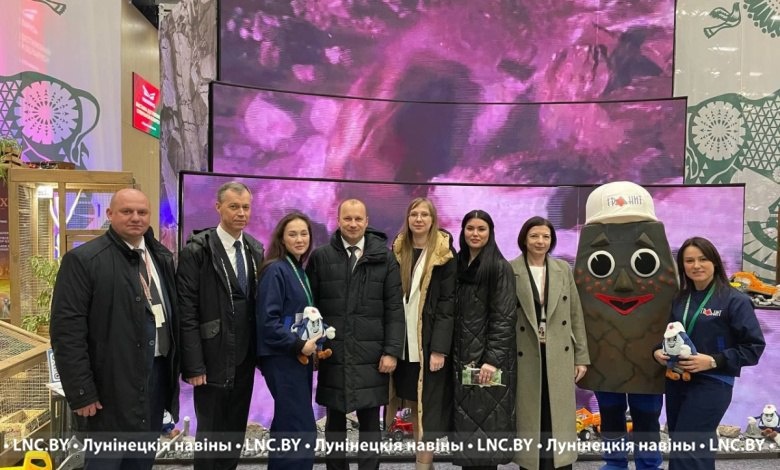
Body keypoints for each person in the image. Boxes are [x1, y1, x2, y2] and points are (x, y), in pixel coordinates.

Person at [50, 188, 179, 469]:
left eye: (142, 212)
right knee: (106, 462)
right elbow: (67, 333)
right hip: (108, 386)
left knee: (141, 460)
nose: (135, 218)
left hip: (155, 378)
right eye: (126, 211)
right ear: (110, 214)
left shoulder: (161, 257)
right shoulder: (84, 260)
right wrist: (82, 392)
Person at [306, 198, 405, 470]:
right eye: (347, 218)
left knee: (371, 424)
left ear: (367, 221)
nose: (353, 224)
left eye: (358, 219)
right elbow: (311, 307)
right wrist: (314, 347)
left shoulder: (385, 258)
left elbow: (395, 309)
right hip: (333, 354)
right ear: (338, 220)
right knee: (334, 424)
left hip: (371, 356)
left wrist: (391, 351)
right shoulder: (321, 257)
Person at [653, 237, 765, 470]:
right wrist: (658, 352)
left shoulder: (735, 300)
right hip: (677, 380)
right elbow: (666, 336)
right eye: (689, 260)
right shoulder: (679, 299)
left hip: (713, 382)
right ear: (682, 266)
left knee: (690, 446)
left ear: (715, 261)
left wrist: (714, 360)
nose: (696, 265)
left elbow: (753, 347)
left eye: (703, 259)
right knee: (683, 445)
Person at [176, 181, 264, 469]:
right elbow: (186, 311)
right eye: (234, 206)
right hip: (211, 357)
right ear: (218, 207)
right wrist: (194, 365)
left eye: (246, 207)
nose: (241, 213)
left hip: (245, 358)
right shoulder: (197, 251)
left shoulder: (255, 249)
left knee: (235, 429)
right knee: (211, 432)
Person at [510, 216, 589, 470]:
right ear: (524, 239)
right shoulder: (510, 269)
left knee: (559, 414)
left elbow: (575, 314)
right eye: (534, 236)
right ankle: (530, 464)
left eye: (545, 236)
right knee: (531, 414)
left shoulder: (562, 269)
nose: (540, 241)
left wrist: (581, 356)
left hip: (558, 351)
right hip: (525, 351)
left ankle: (562, 464)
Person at [387, 198, 456, 470]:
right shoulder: (397, 250)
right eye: (414, 214)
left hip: (427, 348)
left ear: (432, 219)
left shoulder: (444, 254)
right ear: (407, 218)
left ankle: (423, 466)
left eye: (424, 214)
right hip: (402, 345)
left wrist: (439, 348)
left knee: (425, 411)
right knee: (412, 408)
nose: (418, 219)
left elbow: (447, 305)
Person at [452, 210, 517, 469]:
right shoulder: (456, 264)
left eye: (481, 229)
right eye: (470, 228)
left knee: (486, 435)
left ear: (490, 233)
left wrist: (492, 360)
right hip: (461, 359)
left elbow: (504, 317)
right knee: (467, 434)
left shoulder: (499, 267)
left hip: (488, 363)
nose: (475, 234)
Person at [256, 211, 318, 469]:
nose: (299, 239)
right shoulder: (275, 270)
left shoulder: (297, 269)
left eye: (304, 233)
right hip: (282, 358)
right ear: (282, 238)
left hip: (296, 357)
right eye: (293, 234)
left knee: (289, 425)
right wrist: (299, 344)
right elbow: (267, 322)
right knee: (298, 427)